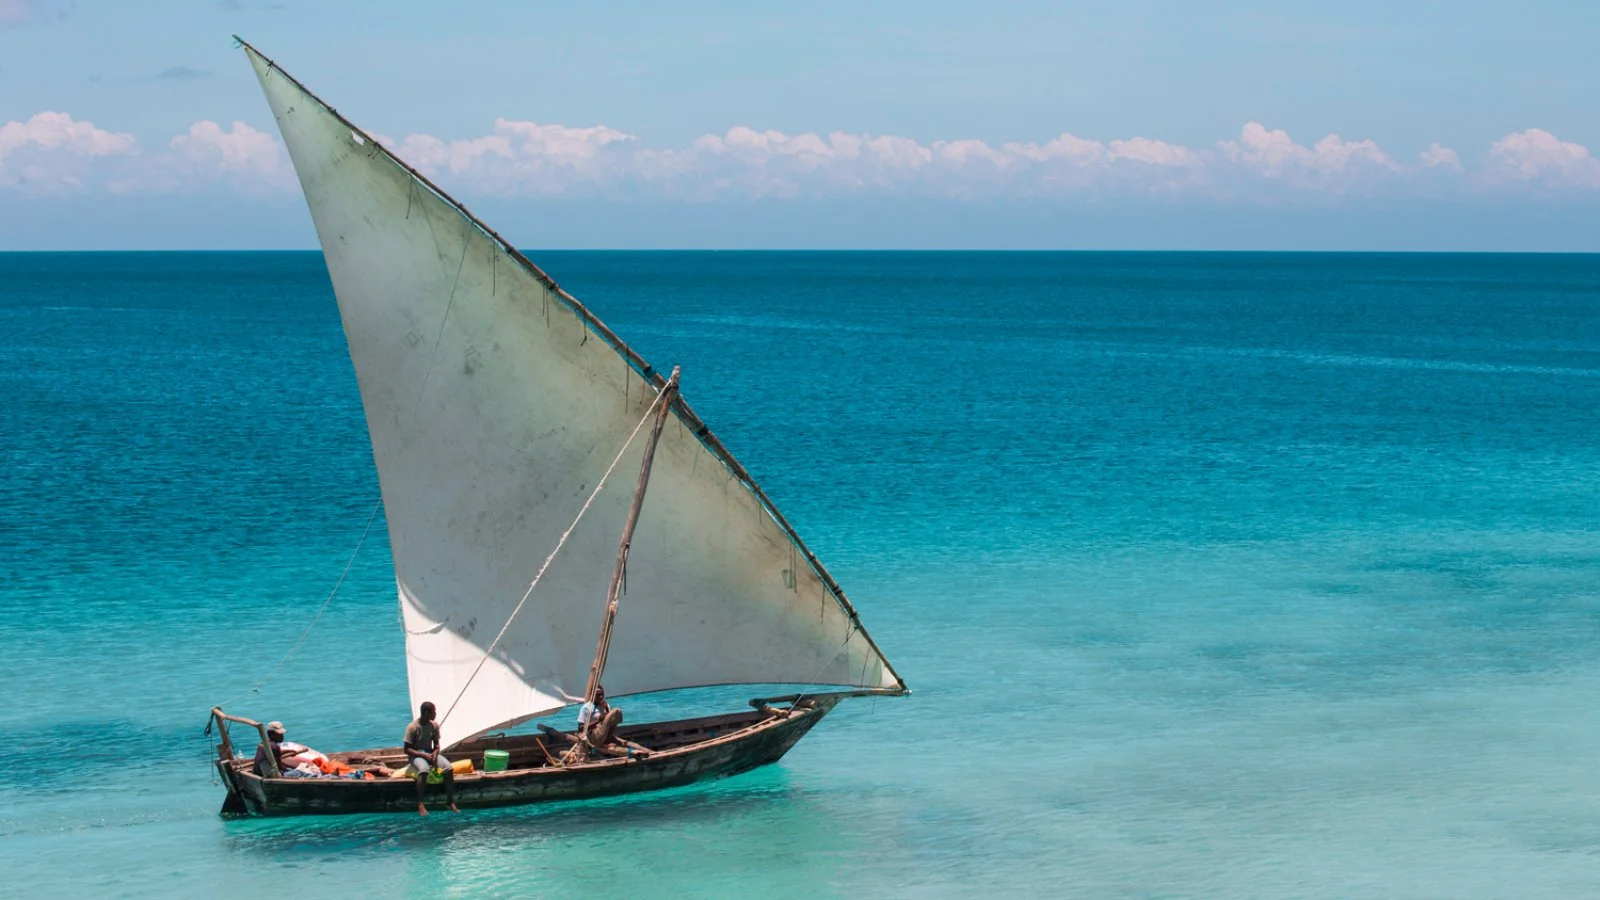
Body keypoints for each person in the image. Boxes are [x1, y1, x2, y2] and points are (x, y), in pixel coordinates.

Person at [404, 701, 458, 815]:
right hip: (416, 755)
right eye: (433, 712)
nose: (435, 714)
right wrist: (423, 755)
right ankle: (420, 804)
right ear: (426, 713)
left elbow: (437, 745)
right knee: (424, 770)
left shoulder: (434, 725)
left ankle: (450, 802)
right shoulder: (412, 727)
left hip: (430, 753)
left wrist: (435, 753)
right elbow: (407, 749)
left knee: (448, 768)